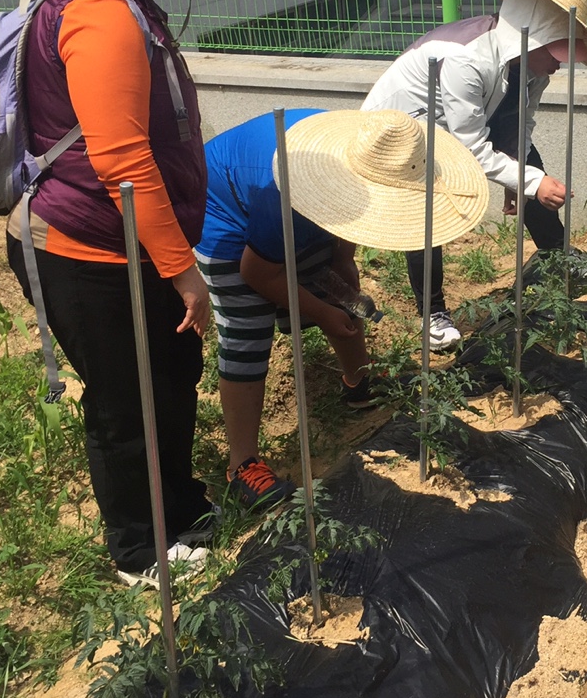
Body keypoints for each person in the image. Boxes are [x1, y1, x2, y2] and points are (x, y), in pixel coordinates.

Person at [5, 0, 222, 587]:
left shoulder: (123, 1)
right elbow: (124, 162)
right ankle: (140, 549)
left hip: (124, 244)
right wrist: (184, 273)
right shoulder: (98, 9)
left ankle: (183, 512)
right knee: (127, 401)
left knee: (169, 377)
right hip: (86, 249)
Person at [195, 108, 490, 508]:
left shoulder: (365, 150)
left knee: (343, 295)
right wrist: (318, 311)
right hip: (225, 213)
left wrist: (342, 260)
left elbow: (355, 216)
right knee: (247, 337)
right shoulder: (283, 191)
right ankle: (242, 465)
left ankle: (360, 384)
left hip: (292, 203)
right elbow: (258, 273)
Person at [361, 0, 587, 349]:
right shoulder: (468, 61)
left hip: (459, 120)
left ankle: (562, 260)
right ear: (532, 40)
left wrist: (519, 176)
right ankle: (432, 313)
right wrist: (528, 181)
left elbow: (520, 123)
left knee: (529, 160)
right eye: (556, 52)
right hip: (404, 126)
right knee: (425, 210)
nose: (559, 63)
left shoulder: (533, 68)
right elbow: (469, 148)